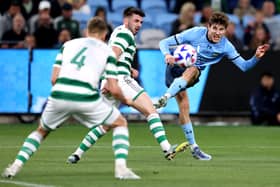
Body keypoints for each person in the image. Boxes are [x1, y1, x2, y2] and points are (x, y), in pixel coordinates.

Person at [2, 17, 140, 180]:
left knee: (41, 130)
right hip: (85, 95)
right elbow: (113, 87)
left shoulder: (68, 45)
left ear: (86, 31)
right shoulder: (107, 51)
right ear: (104, 36)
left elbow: (54, 78)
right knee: (120, 122)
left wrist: (61, 104)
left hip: (59, 93)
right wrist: (128, 101)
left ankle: (14, 166)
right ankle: (121, 169)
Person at [67, 7, 188, 164]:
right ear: (126, 20)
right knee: (151, 109)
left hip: (111, 80)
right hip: (119, 80)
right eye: (136, 21)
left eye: (141, 22)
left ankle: (77, 154)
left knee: (105, 124)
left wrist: (127, 69)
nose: (139, 25)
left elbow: (112, 54)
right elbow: (113, 55)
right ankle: (166, 148)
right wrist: (111, 79)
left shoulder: (117, 31)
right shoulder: (126, 33)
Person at [154, 12, 269, 160]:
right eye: (214, 28)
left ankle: (194, 147)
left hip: (192, 73)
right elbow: (163, 42)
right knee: (184, 104)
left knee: (191, 78)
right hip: (173, 68)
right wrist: (166, 55)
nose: (217, 32)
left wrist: (256, 57)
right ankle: (167, 97)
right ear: (208, 26)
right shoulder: (195, 33)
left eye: (221, 29)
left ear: (225, 31)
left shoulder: (226, 46)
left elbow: (244, 66)